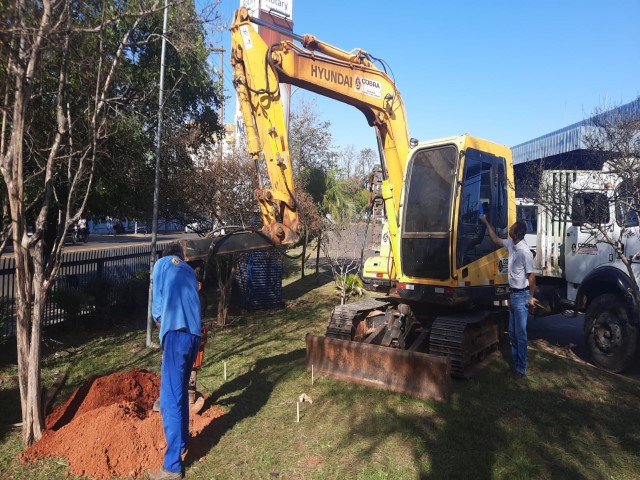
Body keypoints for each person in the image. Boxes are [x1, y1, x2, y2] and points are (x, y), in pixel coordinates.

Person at [146, 244, 201, 480]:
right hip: (194, 336)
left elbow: (157, 307)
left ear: (165, 254)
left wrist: (161, 325)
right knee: (181, 394)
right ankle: (182, 442)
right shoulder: (188, 270)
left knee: (169, 399)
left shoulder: (162, 264)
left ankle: (172, 467)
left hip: (176, 334)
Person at [479, 215, 536, 379]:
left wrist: (531, 297)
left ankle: (521, 369)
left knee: (520, 334)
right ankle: (516, 365)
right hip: (513, 295)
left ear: (516, 234)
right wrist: (486, 222)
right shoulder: (512, 244)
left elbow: (531, 277)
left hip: (521, 296)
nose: (509, 229)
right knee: (512, 333)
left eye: (511, 228)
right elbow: (496, 239)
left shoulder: (524, 253)